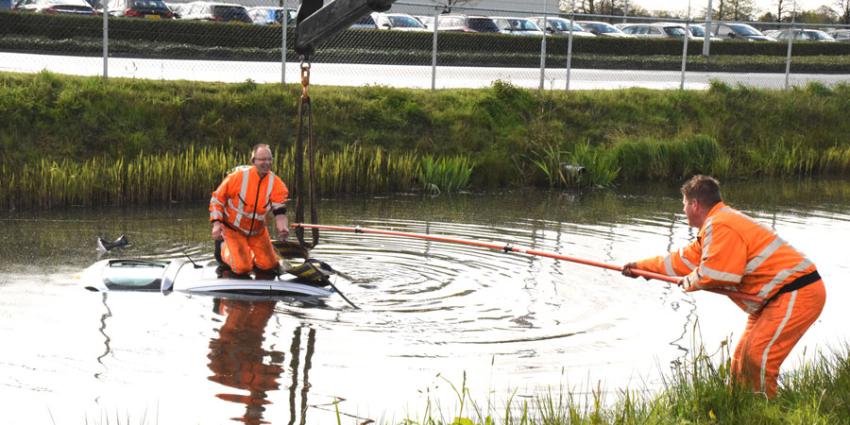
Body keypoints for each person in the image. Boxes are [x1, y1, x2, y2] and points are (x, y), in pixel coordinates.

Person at [622, 175, 826, 398]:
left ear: (695, 204)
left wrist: (689, 281)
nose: (682, 209)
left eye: (684, 203)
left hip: (797, 292)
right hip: (774, 299)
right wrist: (641, 268)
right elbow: (682, 261)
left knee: (758, 357)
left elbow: (717, 273)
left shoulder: (721, 225)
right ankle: (741, 408)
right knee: (741, 359)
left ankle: (766, 410)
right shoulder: (715, 226)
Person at [210, 144, 289, 279]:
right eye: (262, 159)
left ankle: (247, 254)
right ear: (253, 161)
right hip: (233, 229)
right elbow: (217, 200)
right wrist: (216, 224)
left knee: (269, 265)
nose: (266, 163)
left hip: (258, 232)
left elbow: (280, 212)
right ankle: (223, 247)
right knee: (242, 268)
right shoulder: (237, 177)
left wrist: (283, 228)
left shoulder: (277, 184)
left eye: (269, 159)